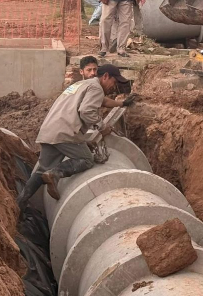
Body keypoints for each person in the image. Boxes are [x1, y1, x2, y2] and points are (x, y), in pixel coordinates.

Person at [17, 64, 130, 205]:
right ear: (106, 76)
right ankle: (55, 174)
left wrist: (122, 103)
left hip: (50, 131)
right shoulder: (96, 88)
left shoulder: (82, 84)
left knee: (41, 171)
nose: (114, 85)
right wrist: (102, 127)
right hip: (65, 132)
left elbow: (103, 101)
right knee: (87, 160)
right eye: (114, 81)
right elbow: (86, 111)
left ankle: (19, 204)